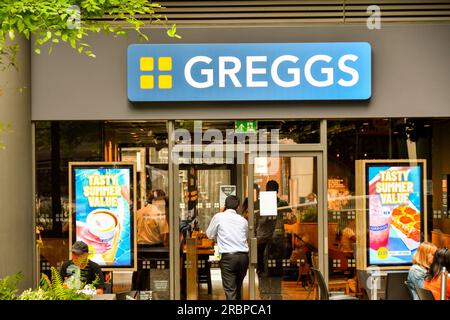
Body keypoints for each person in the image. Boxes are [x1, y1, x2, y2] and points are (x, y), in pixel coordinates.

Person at [256, 180, 297, 299]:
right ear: (278, 191)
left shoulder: (260, 203)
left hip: (264, 240)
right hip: (275, 240)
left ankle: (265, 294)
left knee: (264, 268)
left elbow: (255, 221)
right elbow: (293, 220)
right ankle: (275, 294)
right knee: (275, 268)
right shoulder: (281, 203)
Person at [206, 195, 249, 300]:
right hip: (243, 258)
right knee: (238, 289)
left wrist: (219, 236)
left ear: (225, 205)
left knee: (230, 291)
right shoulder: (243, 220)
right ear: (238, 207)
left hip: (228, 259)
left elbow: (209, 235)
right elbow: (245, 236)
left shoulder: (219, 217)